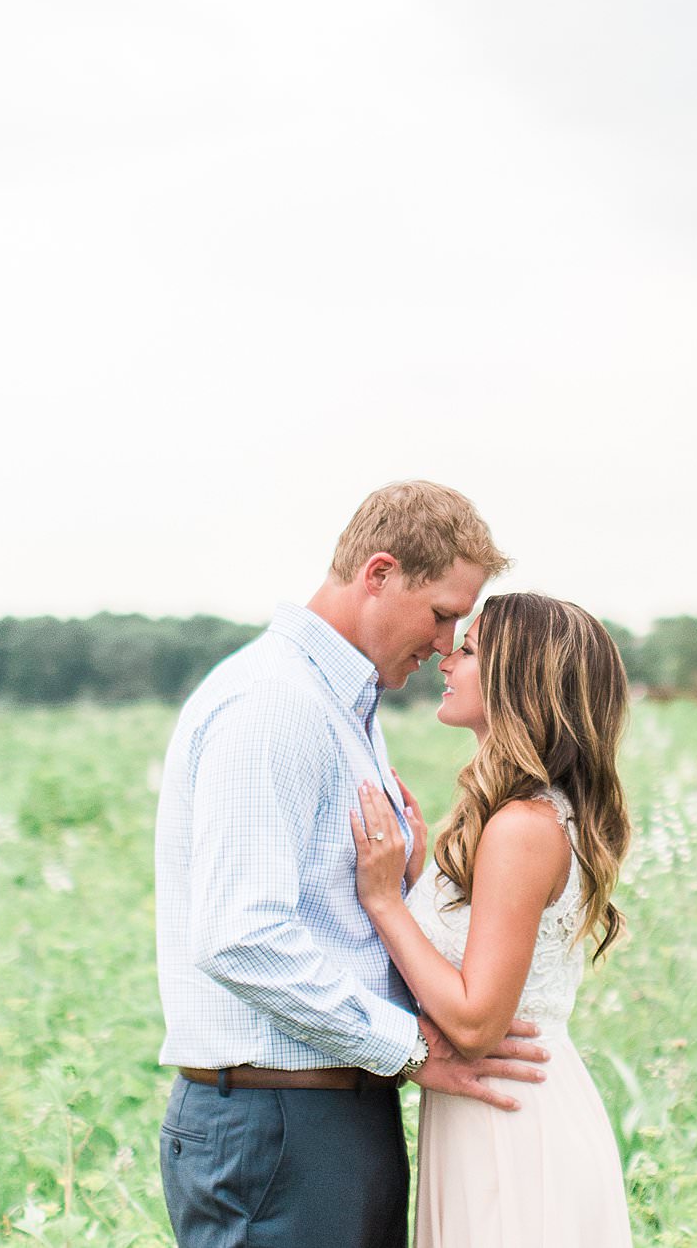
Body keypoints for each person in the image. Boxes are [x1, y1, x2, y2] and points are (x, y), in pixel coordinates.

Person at [155, 481, 550, 1248]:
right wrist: (408, 1047)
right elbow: (241, 933)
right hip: (276, 1123)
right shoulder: (275, 704)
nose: (446, 642)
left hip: (327, 1118)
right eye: (441, 613)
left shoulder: (342, 707)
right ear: (378, 572)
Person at [350, 591, 633, 1248]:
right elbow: (483, 948)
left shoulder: (522, 826)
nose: (447, 657)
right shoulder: (522, 815)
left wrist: (387, 900)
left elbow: (476, 1021)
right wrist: (422, 881)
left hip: (514, 1126)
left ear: (519, 680)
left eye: (471, 648)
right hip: (495, 1113)